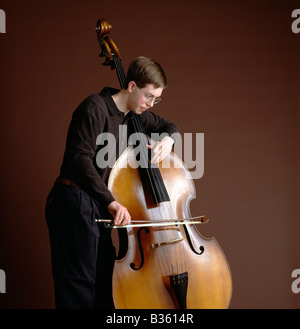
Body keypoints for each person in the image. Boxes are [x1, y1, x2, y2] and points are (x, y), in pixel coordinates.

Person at [45, 56, 179, 309]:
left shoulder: (134, 117)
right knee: (79, 288)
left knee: (105, 285)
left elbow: (169, 126)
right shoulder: (95, 107)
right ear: (131, 86)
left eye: (156, 99)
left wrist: (169, 140)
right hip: (73, 199)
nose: (151, 104)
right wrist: (112, 202)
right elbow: (79, 160)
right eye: (148, 96)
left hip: (98, 204)